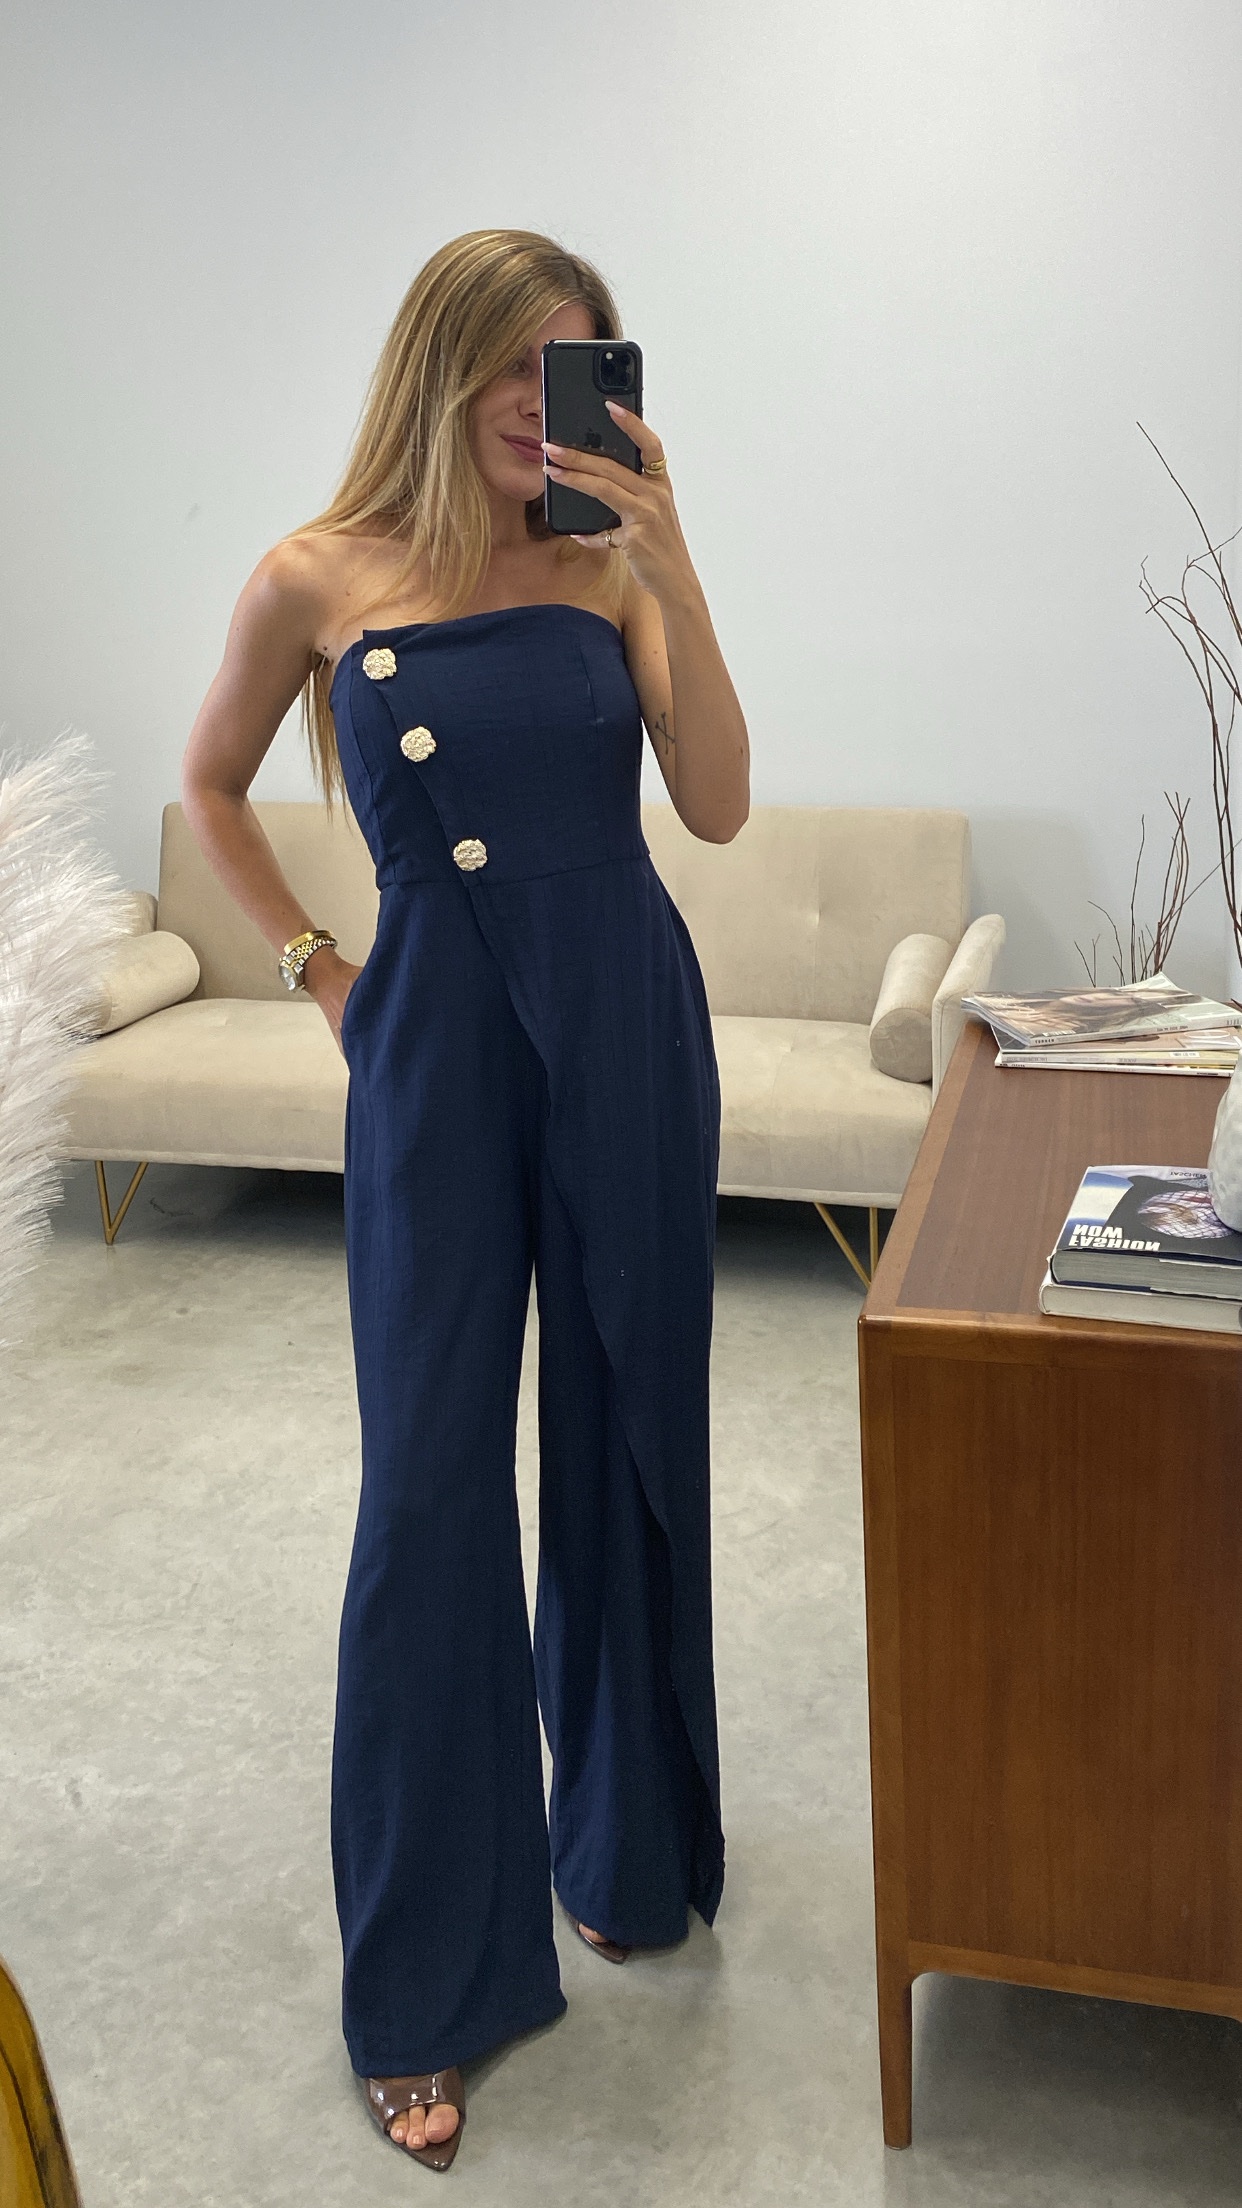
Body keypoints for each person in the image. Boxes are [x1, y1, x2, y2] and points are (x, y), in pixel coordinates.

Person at [181, 228, 749, 2171]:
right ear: (438, 368)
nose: (537, 405)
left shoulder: (610, 564)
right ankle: (426, 1974)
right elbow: (211, 783)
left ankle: (624, 1845)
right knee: (427, 1486)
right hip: (430, 1046)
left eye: (570, 368)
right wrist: (314, 970)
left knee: (623, 1428)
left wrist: (673, 557)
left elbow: (718, 802)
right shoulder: (315, 574)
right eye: (510, 366)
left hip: (625, 1024)